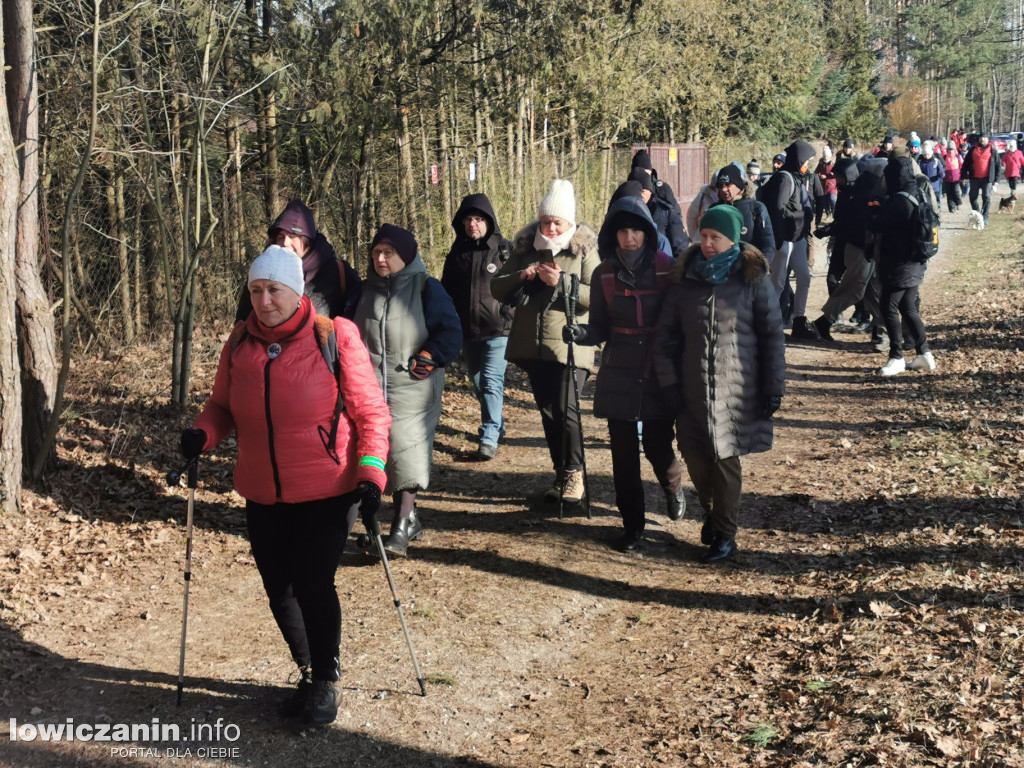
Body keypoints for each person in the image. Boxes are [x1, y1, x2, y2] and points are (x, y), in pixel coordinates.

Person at [180, 245, 391, 726]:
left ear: (296, 291)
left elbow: (371, 413)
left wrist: (372, 472)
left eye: (273, 289)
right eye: (255, 290)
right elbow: (222, 408)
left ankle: (326, 683)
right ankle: (308, 669)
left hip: (329, 488)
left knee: (314, 584)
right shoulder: (239, 341)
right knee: (280, 589)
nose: (263, 300)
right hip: (263, 490)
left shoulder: (334, 336)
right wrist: (202, 433)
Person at [653, 206, 786, 563]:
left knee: (726, 460)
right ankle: (713, 513)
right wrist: (669, 384)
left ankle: (725, 535)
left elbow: (772, 336)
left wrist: (774, 387)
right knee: (697, 460)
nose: (708, 244)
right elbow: (665, 338)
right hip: (691, 391)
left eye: (716, 238)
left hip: (737, 391)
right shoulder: (684, 280)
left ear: (733, 240)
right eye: (704, 235)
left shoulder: (753, 279)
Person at [561, 196, 685, 552]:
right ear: (612, 236)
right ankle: (633, 526)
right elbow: (599, 326)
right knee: (623, 455)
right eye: (622, 231)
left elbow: (678, 321)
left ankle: (674, 485)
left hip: (658, 368)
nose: (629, 238)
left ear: (647, 233)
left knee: (659, 445)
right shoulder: (603, 274)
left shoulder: (666, 267)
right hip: (619, 371)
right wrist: (580, 333)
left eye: (636, 231)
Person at [353, 224, 462, 555]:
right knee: (371, 454)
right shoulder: (362, 291)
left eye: (389, 253)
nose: (381, 259)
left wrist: (430, 355)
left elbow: (450, 331)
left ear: (406, 255)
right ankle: (399, 521)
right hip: (369, 388)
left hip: (414, 386)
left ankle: (400, 527)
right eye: (376, 253)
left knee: (406, 449)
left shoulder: (427, 287)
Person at [490, 179, 600, 504]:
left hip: (571, 344)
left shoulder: (584, 249)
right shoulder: (525, 247)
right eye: (546, 221)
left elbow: (598, 296)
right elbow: (497, 287)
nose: (551, 228)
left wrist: (563, 283)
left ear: (571, 223)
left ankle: (576, 474)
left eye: (558, 222)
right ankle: (561, 474)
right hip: (533, 345)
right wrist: (522, 275)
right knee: (549, 411)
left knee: (567, 409)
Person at [441, 194, 514, 460]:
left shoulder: (504, 250)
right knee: (479, 381)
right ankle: (498, 425)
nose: (473, 224)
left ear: (489, 221)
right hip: (467, 331)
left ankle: (489, 436)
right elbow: (446, 291)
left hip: (498, 329)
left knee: (492, 382)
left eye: (479, 219)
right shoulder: (456, 253)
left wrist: (509, 312)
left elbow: (519, 287)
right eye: (469, 219)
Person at [235, 200, 361, 322]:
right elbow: (242, 326)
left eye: (292, 237)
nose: (285, 243)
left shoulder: (338, 273)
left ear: (307, 240)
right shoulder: (262, 273)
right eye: (280, 237)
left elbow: (358, 325)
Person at [875, 155, 936, 376]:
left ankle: (896, 357)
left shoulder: (896, 201)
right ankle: (924, 354)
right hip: (917, 260)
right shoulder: (919, 193)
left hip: (898, 264)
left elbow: (878, 225)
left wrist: (875, 207)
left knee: (888, 307)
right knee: (908, 306)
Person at [760, 139, 818, 340]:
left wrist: (805, 216)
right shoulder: (785, 179)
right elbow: (778, 210)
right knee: (777, 283)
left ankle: (799, 322)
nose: (808, 165)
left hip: (797, 239)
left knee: (804, 278)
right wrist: (799, 217)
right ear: (798, 159)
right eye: (806, 161)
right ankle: (770, 327)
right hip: (783, 240)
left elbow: (800, 205)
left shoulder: (798, 177)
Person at [711, 163, 776, 265]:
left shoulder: (756, 208)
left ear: (739, 185)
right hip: (719, 271)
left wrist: (760, 267)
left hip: (750, 270)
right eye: (721, 186)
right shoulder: (714, 210)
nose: (723, 189)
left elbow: (768, 244)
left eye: (728, 185)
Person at [631, 167, 689, 257]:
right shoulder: (623, 212)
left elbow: (680, 247)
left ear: (650, 190)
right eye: (635, 191)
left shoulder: (665, 211)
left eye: (642, 191)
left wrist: (675, 268)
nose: (639, 195)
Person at [631, 149, 682, 217]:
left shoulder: (662, 189)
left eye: (645, 173)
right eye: (639, 172)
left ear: (650, 171)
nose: (643, 176)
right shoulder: (627, 190)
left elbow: (676, 213)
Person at [964, 132, 1000, 225]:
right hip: (974, 178)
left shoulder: (993, 150)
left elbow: (997, 166)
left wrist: (996, 180)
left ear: (988, 139)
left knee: (986, 197)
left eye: (984, 138)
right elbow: (965, 164)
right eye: (981, 138)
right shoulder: (972, 150)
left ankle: (985, 216)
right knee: (972, 197)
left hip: (987, 179)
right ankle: (978, 214)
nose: (982, 139)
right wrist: (963, 177)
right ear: (978, 139)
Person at [942, 142, 964, 212]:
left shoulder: (958, 157)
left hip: (956, 178)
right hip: (947, 178)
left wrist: (963, 175)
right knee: (949, 193)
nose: (950, 151)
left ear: (955, 150)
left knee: (956, 191)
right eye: (949, 149)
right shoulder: (945, 157)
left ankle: (958, 203)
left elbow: (962, 166)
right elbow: (942, 167)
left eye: (952, 149)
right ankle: (951, 207)